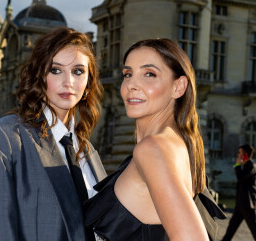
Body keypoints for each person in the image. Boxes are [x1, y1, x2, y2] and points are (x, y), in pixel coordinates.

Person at [84, 38, 225, 241]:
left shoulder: (153, 149)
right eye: (128, 74)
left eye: (149, 74)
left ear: (178, 87)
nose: (131, 84)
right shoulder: (178, 144)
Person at [0, 27, 106, 241]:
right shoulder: (3, 137)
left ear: (89, 84)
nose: (68, 82)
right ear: (38, 76)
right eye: (55, 70)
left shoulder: (88, 151)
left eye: (78, 71)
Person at [221, 144, 256, 240]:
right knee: (230, 231)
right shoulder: (244, 167)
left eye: (240, 153)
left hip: (248, 206)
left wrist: (237, 165)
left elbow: (241, 178)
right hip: (240, 205)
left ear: (245, 155)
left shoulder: (251, 166)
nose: (238, 155)